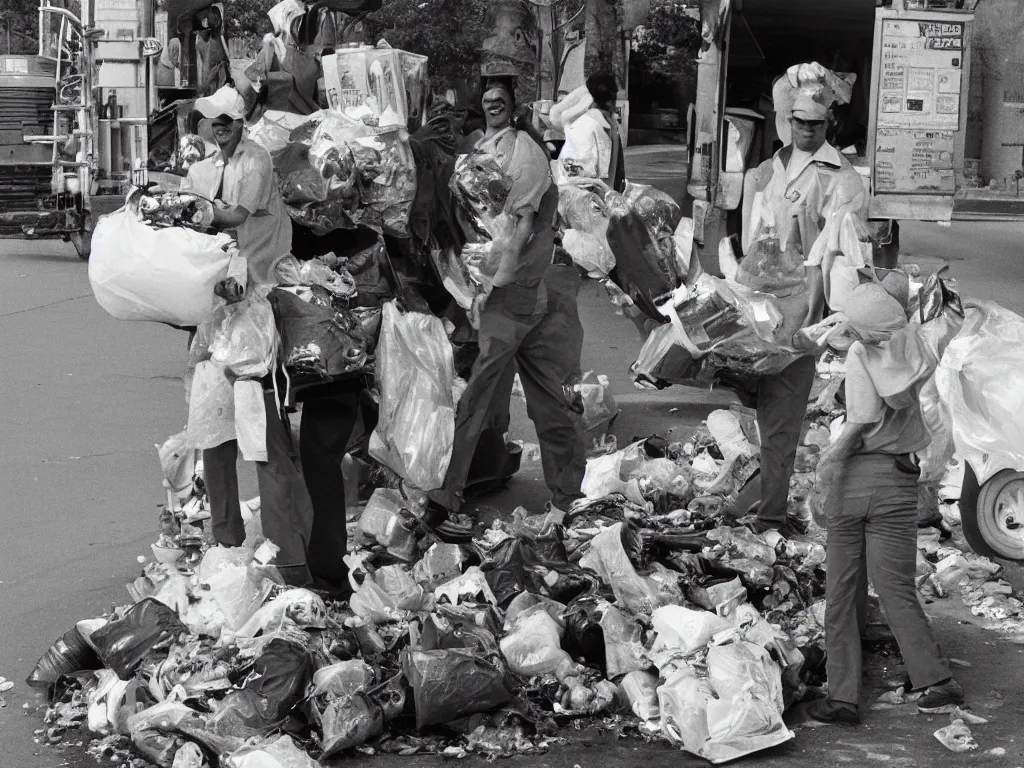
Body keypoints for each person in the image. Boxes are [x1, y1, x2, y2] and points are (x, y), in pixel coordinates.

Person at [427, 78, 586, 521]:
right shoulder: (488, 148)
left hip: (519, 292)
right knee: (537, 391)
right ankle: (566, 494)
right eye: (487, 99)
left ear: (513, 107)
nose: (493, 104)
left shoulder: (526, 154)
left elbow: (519, 228)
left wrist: (490, 288)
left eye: (501, 99)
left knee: (489, 393)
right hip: (518, 291)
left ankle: (448, 493)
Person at [807, 281, 964, 724]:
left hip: (855, 478)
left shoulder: (860, 356)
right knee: (895, 586)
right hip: (898, 481)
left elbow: (860, 419)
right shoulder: (907, 353)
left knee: (842, 589)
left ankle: (843, 698)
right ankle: (936, 682)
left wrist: (827, 466)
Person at [730, 90, 867, 536]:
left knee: (782, 416)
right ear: (785, 120)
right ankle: (757, 500)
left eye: (816, 123)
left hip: (797, 314)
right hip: (753, 309)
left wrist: (818, 311)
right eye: (799, 121)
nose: (806, 129)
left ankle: (769, 515)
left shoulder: (841, 178)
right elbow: (751, 237)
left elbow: (840, 256)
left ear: (830, 125)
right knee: (757, 408)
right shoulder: (767, 169)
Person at [553, 70, 625, 191]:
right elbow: (610, 174)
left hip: (571, 191)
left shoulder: (580, 121)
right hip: (593, 194)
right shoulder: (607, 125)